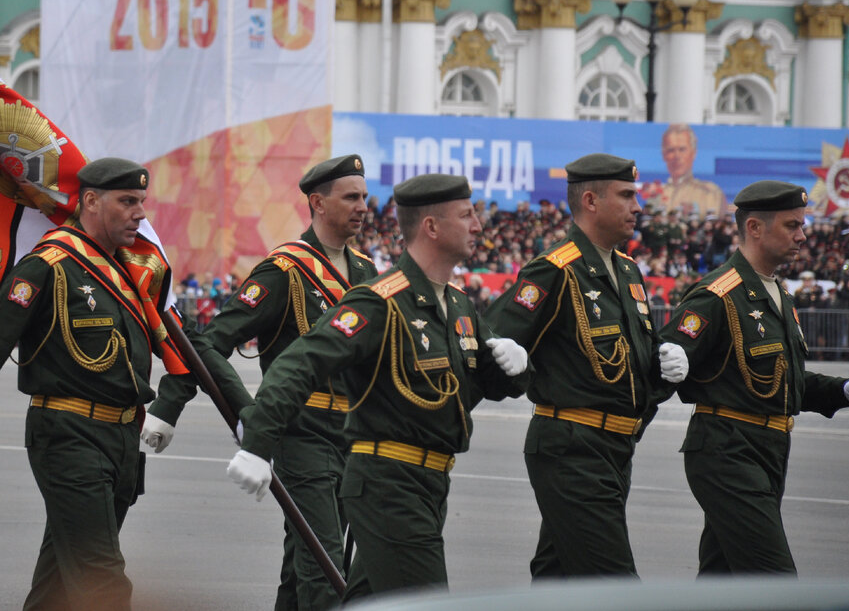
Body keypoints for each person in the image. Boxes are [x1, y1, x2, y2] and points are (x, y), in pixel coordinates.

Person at [227, 173, 531, 601]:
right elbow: (301, 361)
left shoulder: (460, 306)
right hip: (389, 486)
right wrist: (257, 442)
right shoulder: (379, 300)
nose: (479, 226)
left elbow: (478, 384)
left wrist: (516, 368)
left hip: (431, 485)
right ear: (431, 227)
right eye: (467, 215)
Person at [144, 154, 377, 611]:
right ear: (318, 203)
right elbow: (210, 342)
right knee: (325, 566)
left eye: (365, 197)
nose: (363, 206)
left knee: (303, 565)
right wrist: (185, 405)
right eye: (351, 197)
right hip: (302, 434)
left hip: (354, 436)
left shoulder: (367, 272)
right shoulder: (284, 270)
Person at [0, 158, 178, 610]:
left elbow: (180, 345)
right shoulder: (49, 265)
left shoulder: (127, 273)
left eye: (141, 202)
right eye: (128, 202)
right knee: (102, 579)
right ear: (90, 201)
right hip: (70, 438)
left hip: (121, 441)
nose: (141, 214)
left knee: (57, 585)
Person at [484, 153, 689, 578]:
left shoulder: (628, 271)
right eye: (628, 195)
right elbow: (496, 343)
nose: (639, 206)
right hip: (572, 450)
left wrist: (666, 367)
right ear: (591, 201)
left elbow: (633, 362)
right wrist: (515, 363)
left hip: (615, 450)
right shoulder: (555, 270)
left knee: (559, 579)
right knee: (614, 586)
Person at [661, 181, 849, 574]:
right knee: (775, 580)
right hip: (727, 451)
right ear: (755, 228)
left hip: (767, 450)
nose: (802, 235)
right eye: (792, 225)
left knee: (723, 581)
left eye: (802, 225)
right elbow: (665, 360)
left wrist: (842, 390)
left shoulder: (777, 293)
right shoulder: (718, 294)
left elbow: (785, 380)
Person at [658, 124, 727, 216]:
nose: (677, 156)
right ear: (664, 155)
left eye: (682, 149)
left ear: (693, 153)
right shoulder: (656, 194)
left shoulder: (710, 193)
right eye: (671, 150)